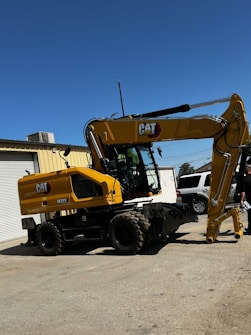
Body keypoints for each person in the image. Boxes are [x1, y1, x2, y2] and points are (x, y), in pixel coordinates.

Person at [241, 162, 251, 233]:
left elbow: (243, 191)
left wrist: (242, 200)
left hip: (250, 199)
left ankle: (250, 229)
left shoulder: (245, 179)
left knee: (250, 214)